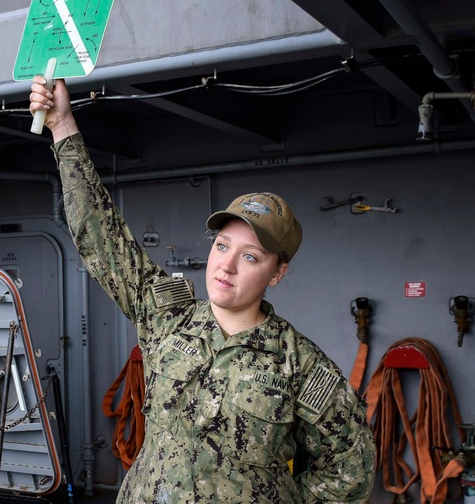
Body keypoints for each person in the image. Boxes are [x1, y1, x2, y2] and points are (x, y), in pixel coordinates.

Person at [29, 77, 375, 502]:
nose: (225, 265)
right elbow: (100, 235)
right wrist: (63, 126)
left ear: (277, 273)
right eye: (222, 245)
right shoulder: (166, 316)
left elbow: (350, 470)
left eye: (250, 256)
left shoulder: (299, 365)